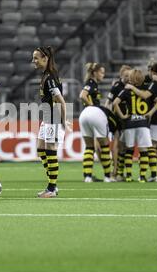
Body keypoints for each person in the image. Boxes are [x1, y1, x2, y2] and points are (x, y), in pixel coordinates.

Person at [33, 46, 71, 198]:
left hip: (54, 118)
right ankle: (51, 183)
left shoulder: (50, 78)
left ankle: (52, 188)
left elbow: (61, 101)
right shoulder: (46, 76)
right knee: (40, 149)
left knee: (50, 150)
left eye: (36, 58)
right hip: (48, 117)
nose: (33, 61)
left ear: (45, 58)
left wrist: (63, 121)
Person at [113, 69, 157, 182]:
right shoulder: (147, 89)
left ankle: (128, 176)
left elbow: (115, 103)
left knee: (129, 150)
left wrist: (123, 116)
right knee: (143, 151)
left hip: (130, 123)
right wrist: (150, 112)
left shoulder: (127, 90)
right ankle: (142, 177)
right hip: (143, 123)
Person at [79, 62, 105, 183]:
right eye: (101, 72)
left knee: (91, 147)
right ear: (95, 73)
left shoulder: (93, 84)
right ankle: (109, 175)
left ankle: (88, 176)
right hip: (93, 116)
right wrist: (92, 107)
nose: (103, 75)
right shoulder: (91, 83)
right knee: (100, 146)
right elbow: (83, 95)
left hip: (86, 116)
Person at [105, 65, 132, 181]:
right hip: (117, 119)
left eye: (129, 76)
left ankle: (121, 172)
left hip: (129, 119)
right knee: (117, 145)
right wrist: (107, 116)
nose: (128, 78)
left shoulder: (132, 86)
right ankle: (114, 171)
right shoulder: (116, 86)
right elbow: (108, 103)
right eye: (126, 76)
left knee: (125, 147)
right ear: (121, 75)